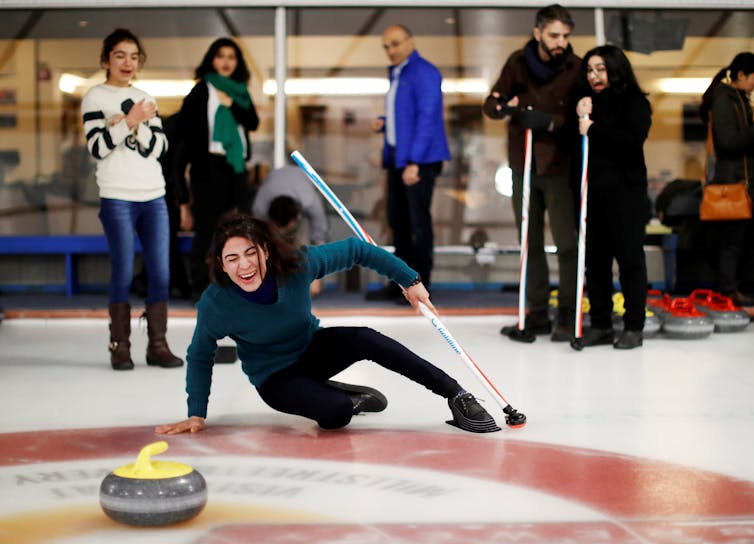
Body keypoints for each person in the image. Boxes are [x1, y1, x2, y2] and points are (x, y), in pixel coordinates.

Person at [155, 212, 499, 435]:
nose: (244, 266)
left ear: (266, 252)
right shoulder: (217, 303)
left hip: (311, 349)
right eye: (232, 258)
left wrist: (409, 280)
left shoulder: (298, 265)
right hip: (275, 378)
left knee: (365, 337)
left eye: (251, 253)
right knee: (335, 414)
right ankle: (339, 396)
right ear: (222, 264)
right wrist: (196, 412)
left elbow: (357, 250)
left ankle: (456, 394)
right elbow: (200, 355)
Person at [81, 28, 183, 370]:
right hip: (117, 197)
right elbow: (98, 148)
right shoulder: (95, 96)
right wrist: (130, 122)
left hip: (154, 195)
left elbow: (160, 149)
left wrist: (131, 125)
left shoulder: (144, 96)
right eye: (120, 55)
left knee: (160, 272)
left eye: (134, 56)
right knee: (122, 271)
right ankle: (119, 347)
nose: (128, 62)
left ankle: (158, 346)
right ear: (106, 59)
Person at [482, 4, 581, 342]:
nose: (561, 42)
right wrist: (511, 109)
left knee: (567, 243)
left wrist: (550, 121)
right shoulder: (518, 62)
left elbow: (581, 120)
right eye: (554, 35)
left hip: (560, 165)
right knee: (530, 243)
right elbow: (491, 105)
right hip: (524, 164)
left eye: (566, 36)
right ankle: (537, 313)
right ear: (538, 32)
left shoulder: (575, 67)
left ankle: (568, 313)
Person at [573, 45, 652, 349]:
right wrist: (580, 117)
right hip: (592, 195)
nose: (593, 75)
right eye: (590, 70)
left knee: (630, 260)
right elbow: (576, 142)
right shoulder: (586, 104)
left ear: (615, 69)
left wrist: (592, 128)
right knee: (595, 262)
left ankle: (634, 326)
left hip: (626, 194)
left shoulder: (635, 102)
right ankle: (601, 325)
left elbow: (632, 142)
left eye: (600, 69)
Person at [366, 24, 450, 301]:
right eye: (386, 46)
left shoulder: (424, 72)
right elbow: (408, 115)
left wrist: (414, 161)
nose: (390, 50)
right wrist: (386, 124)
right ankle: (402, 285)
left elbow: (428, 118)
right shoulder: (399, 72)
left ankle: (422, 287)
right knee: (398, 223)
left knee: (417, 225)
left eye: (396, 44)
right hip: (400, 160)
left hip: (418, 161)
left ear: (411, 43)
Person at [172, 37, 260, 301]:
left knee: (244, 229)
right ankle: (201, 288)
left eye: (231, 57)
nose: (225, 62)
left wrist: (232, 104)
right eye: (220, 56)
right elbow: (186, 137)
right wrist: (181, 180)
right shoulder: (200, 91)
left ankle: (246, 285)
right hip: (208, 168)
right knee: (206, 230)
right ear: (212, 59)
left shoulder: (240, 91)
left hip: (236, 166)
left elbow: (253, 122)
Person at [698, 52, 754, 307]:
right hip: (730, 184)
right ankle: (728, 294)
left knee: (738, 242)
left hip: (740, 183)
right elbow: (729, 142)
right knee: (731, 243)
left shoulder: (739, 99)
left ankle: (735, 291)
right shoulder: (724, 100)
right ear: (741, 75)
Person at [252, 164, 330, 246]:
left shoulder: (308, 199)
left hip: (301, 176)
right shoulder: (260, 206)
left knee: (304, 238)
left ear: (295, 218)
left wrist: (319, 242)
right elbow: (258, 230)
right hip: (277, 176)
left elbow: (320, 225)